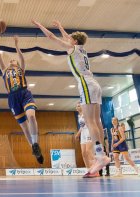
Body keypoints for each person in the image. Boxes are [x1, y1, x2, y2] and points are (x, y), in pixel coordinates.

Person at [32, 20, 110, 176]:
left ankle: (100, 155)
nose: (68, 39)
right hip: (95, 84)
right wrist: (61, 26)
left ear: (74, 41)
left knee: (90, 122)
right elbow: (69, 37)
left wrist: (39, 25)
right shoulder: (82, 49)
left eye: (70, 39)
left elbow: (52, 37)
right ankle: (103, 154)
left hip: (85, 84)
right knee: (96, 121)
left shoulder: (72, 48)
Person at [0, 33, 43, 164]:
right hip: (12, 98)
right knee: (24, 127)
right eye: (10, 60)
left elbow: (22, 58)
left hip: (24, 94)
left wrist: (16, 45)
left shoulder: (21, 69)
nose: (11, 60)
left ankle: (35, 143)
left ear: (17, 63)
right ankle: (34, 150)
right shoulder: (4, 71)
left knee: (31, 116)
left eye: (14, 60)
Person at [75, 102, 96, 176]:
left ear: (82, 106)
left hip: (89, 131)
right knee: (84, 153)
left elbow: (91, 123)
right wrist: (78, 134)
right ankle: (89, 170)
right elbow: (81, 126)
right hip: (83, 133)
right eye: (76, 106)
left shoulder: (86, 113)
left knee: (89, 151)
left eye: (78, 106)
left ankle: (95, 170)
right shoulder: (79, 116)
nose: (77, 107)